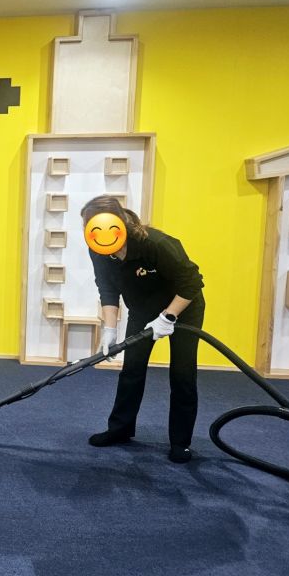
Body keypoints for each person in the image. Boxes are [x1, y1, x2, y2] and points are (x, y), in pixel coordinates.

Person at [81, 195, 205, 463]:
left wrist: (168, 317)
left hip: (183, 307)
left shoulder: (155, 243)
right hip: (142, 310)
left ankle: (180, 442)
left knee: (182, 374)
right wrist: (109, 330)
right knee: (132, 369)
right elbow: (107, 288)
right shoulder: (98, 248)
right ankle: (120, 429)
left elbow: (192, 283)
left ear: (118, 223)